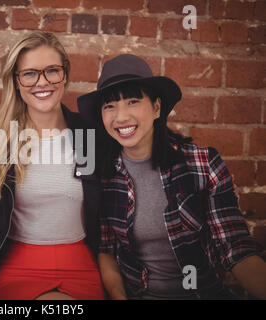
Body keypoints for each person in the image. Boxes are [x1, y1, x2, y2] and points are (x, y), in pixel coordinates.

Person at [77, 54, 266, 300]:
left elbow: (235, 247)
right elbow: (107, 251)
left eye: (133, 101)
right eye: (110, 106)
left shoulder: (202, 163)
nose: (121, 117)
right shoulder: (104, 175)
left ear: (157, 108)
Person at [0, 31, 105, 300]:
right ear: (17, 82)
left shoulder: (86, 133)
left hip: (79, 263)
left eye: (52, 71)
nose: (42, 82)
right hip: (18, 264)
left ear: (64, 75)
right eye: (30, 74)